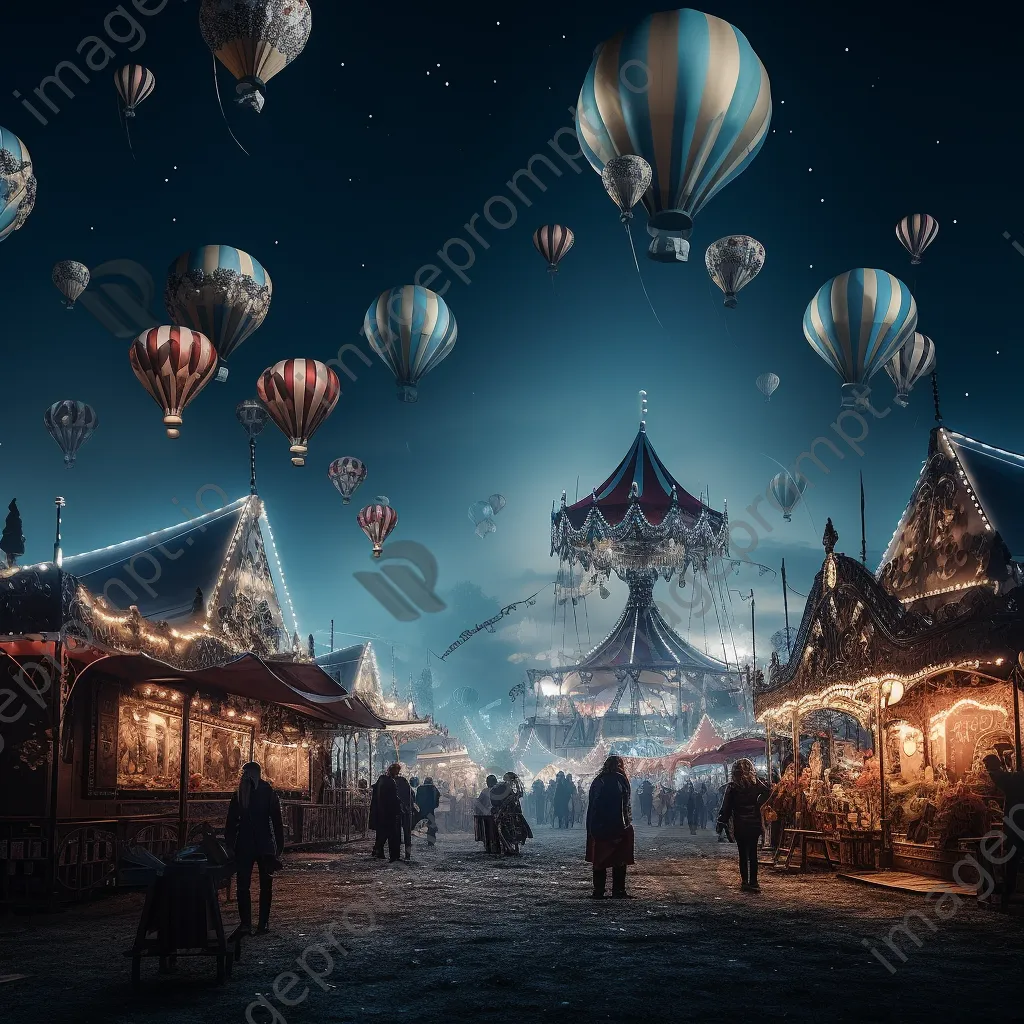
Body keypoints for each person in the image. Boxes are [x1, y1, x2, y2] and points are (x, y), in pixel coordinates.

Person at [225, 762, 284, 936]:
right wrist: (279, 846)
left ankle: (247, 924)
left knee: (245, 885)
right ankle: (261, 924)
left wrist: (230, 844)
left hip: (246, 845)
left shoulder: (240, 794)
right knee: (262, 885)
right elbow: (277, 822)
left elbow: (231, 824)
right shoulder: (267, 793)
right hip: (263, 845)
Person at [717, 758, 770, 893]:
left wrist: (722, 821)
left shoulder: (732, 787)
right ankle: (754, 882)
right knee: (753, 854)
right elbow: (767, 792)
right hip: (754, 824)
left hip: (740, 824)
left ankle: (745, 882)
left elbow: (726, 807)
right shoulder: (756, 784)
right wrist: (758, 805)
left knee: (743, 855)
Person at [586, 756, 635, 898]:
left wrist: (591, 827)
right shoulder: (621, 780)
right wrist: (626, 825)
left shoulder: (598, 780)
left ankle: (599, 891)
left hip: (598, 826)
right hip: (619, 826)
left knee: (599, 861)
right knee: (619, 860)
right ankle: (618, 890)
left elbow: (593, 805)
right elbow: (625, 806)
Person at [983, 754, 1024, 910]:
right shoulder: (1014, 778)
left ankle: (1008, 893)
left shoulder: (1012, 780)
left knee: (1012, 857)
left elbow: (997, 775)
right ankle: (1009, 892)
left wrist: (995, 767)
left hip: (1015, 824)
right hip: (1015, 823)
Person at [489, 772, 534, 854]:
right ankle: (509, 847)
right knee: (504, 829)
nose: (512, 783)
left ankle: (514, 847)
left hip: (512, 812)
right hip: (506, 812)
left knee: (514, 828)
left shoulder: (508, 789)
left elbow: (519, 795)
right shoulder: (502, 787)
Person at [373, 766, 402, 862]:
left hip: (381, 812)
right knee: (391, 834)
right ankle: (392, 855)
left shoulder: (381, 780)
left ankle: (378, 851)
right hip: (389, 812)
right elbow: (393, 798)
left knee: (382, 833)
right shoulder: (390, 782)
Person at [392, 764, 415, 861]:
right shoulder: (404, 781)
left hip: (395, 811)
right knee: (407, 833)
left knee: (395, 833)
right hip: (406, 809)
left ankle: (395, 855)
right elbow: (412, 795)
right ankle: (407, 854)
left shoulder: (391, 782)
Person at [474, 775, 500, 853]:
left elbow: (479, 802)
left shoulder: (485, 791)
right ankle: (497, 845)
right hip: (498, 814)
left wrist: (478, 811)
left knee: (487, 831)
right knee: (497, 830)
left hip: (487, 815)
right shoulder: (499, 790)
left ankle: (488, 845)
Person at [416, 776, 441, 847]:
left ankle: (418, 839)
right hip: (430, 810)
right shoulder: (433, 788)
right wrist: (435, 806)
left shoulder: (419, 788)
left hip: (421, 810)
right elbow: (437, 797)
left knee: (419, 824)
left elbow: (417, 799)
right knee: (431, 825)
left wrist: (419, 806)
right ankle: (431, 841)